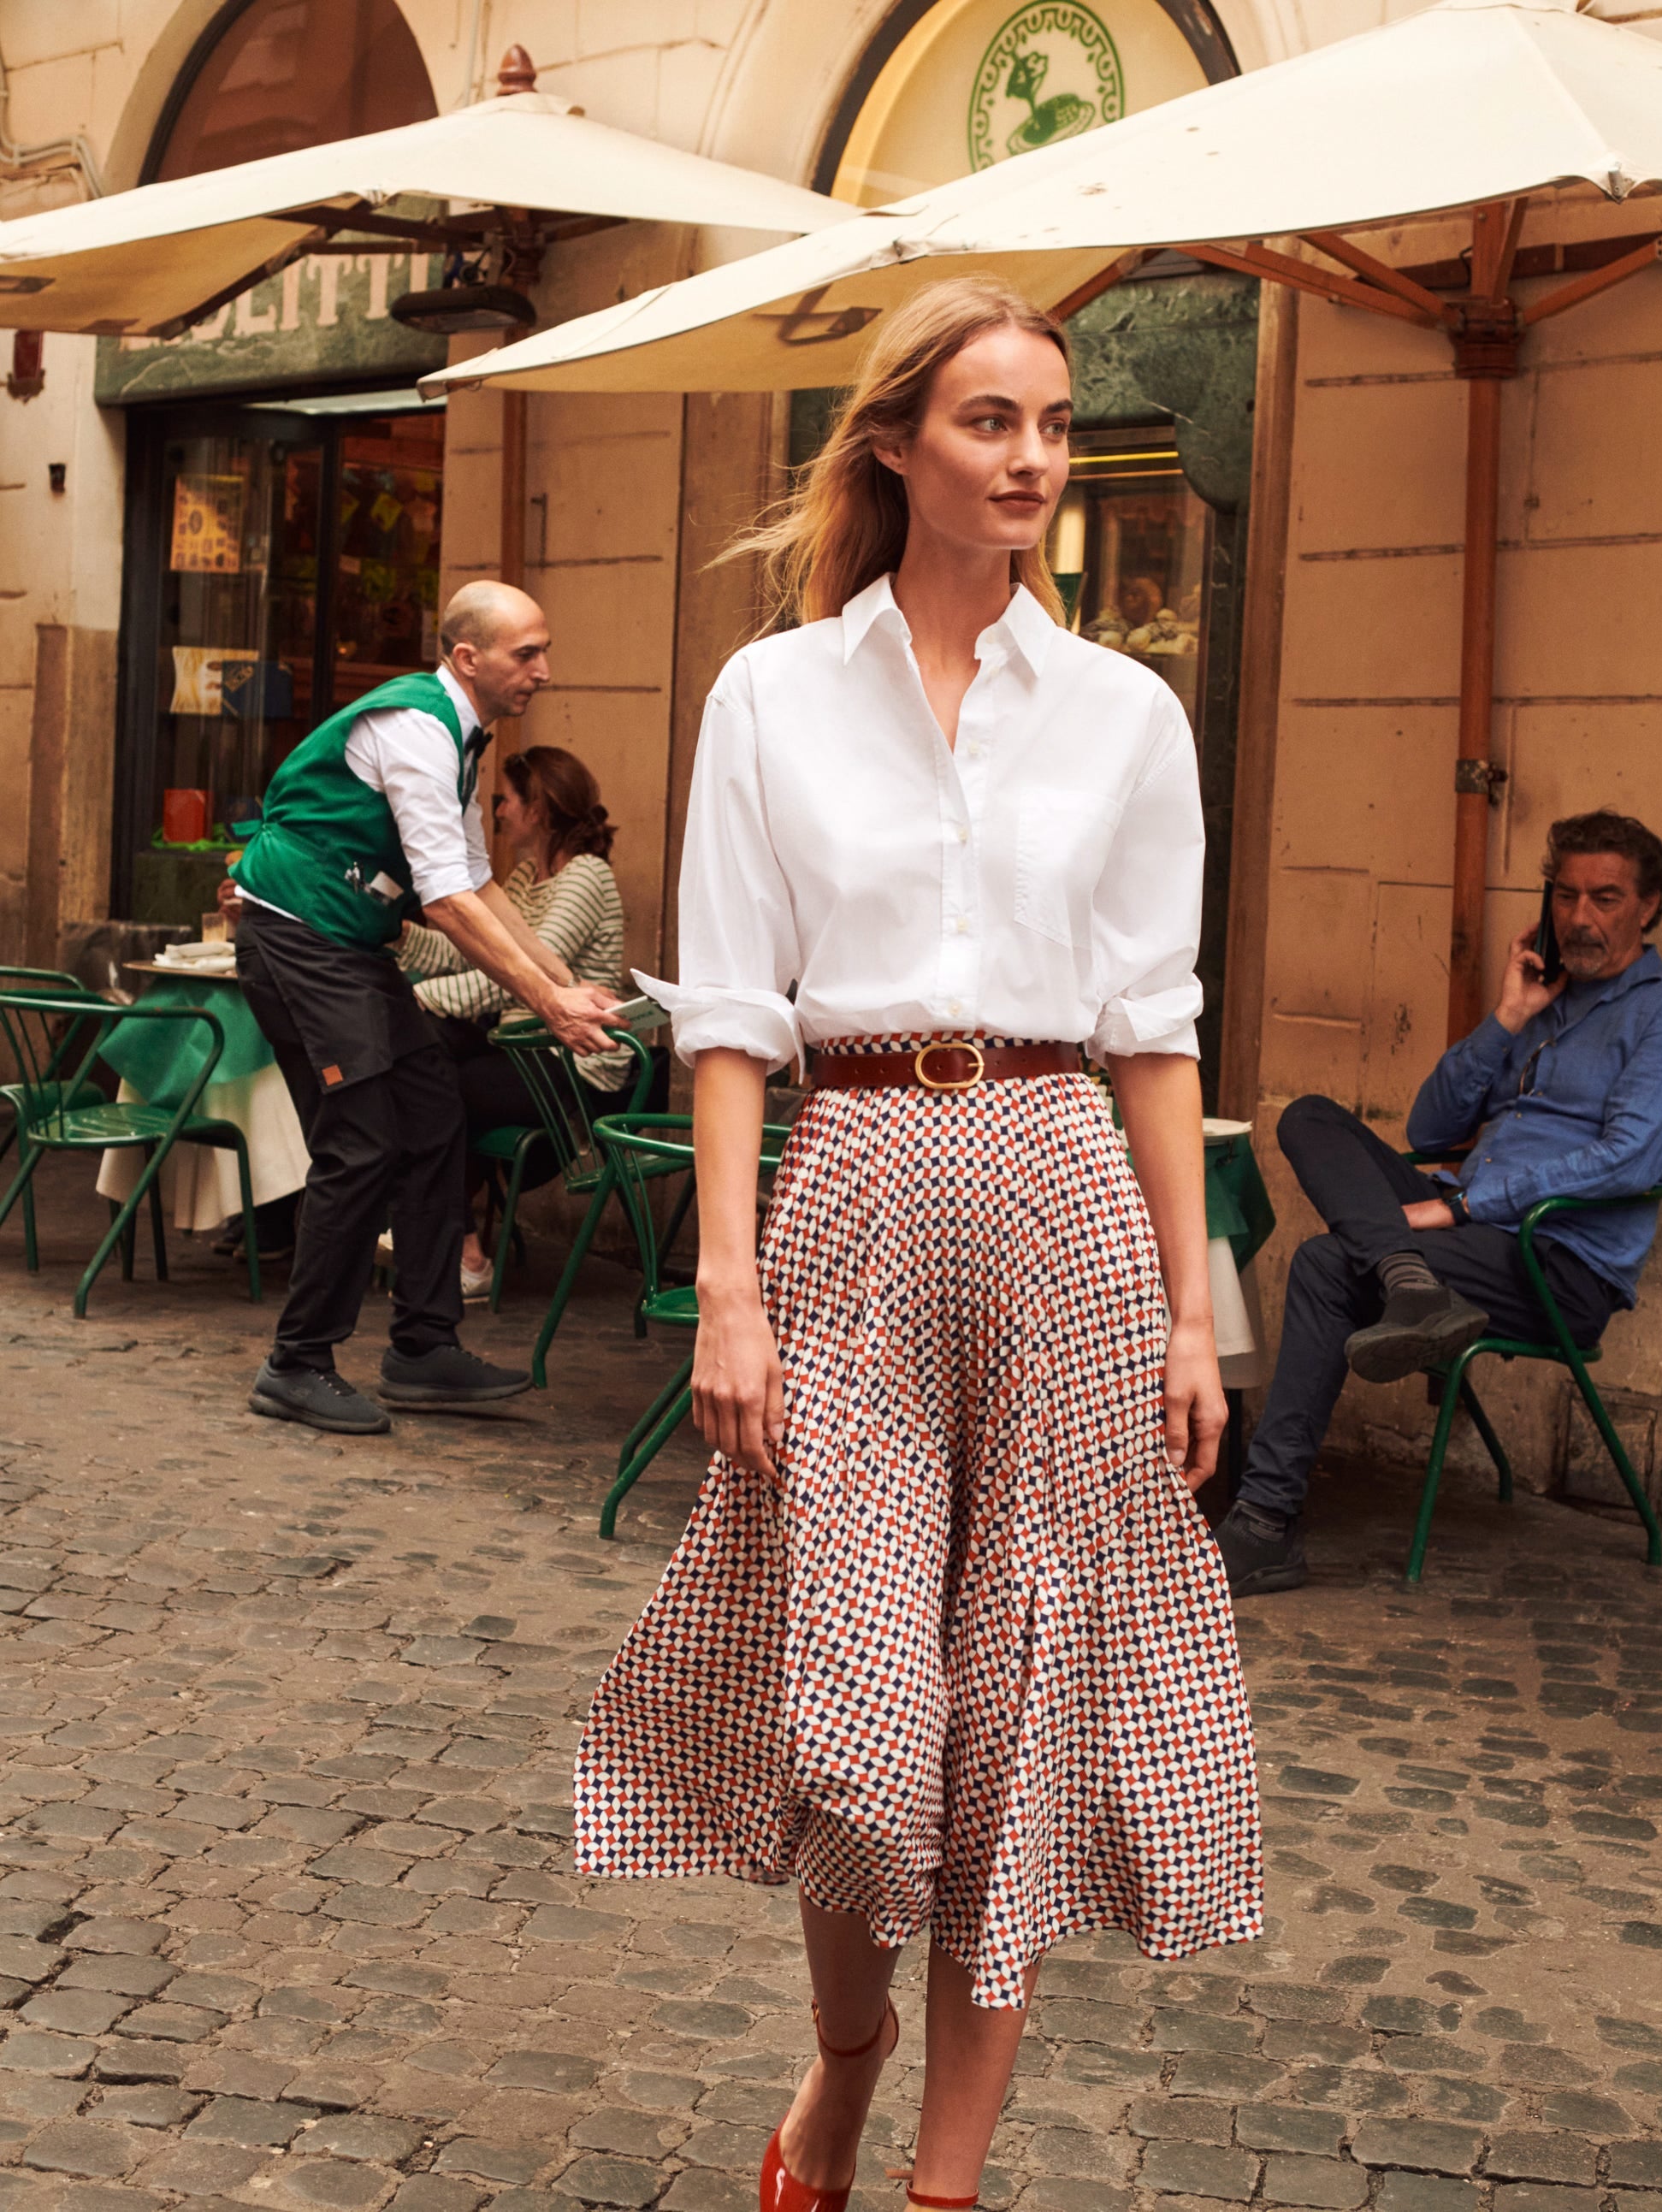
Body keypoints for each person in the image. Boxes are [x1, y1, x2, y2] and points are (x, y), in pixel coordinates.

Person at [573, 278, 1262, 2212]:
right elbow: (727, 1015)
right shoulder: (769, 692)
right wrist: (728, 1291)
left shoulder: (1127, 712)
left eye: (1050, 422)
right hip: (853, 1191)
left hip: (1059, 1198)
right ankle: (846, 2062)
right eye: (986, 420)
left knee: (1020, 1721)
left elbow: (1152, 1026)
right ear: (894, 441)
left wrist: (1191, 1314)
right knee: (865, 1710)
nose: (1031, 456)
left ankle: (941, 2189)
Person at [1216, 809, 1662, 1598]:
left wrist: (1467, 1208)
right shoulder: (1542, 1002)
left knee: (1324, 1263)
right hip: (1463, 1229)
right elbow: (1430, 1126)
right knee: (1310, 1116)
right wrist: (1508, 1014)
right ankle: (1409, 1279)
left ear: (1650, 907)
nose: (1580, 917)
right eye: (1567, 895)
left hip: (1557, 1260)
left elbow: (1632, 1158)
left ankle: (1264, 1525)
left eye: (1606, 899)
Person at [230, 582, 620, 1437]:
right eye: (527, 654)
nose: (543, 670)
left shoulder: (461, 735)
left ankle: (423, 1345)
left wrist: (563, 982)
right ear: (467, 657)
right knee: (361, 1139)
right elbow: (444, 902)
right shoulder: (413, 726)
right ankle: (297, 1362)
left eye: (543, 650)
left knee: (434, 1112)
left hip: (346, 944)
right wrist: (547, 1006)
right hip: (299, 935)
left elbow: (478, 883)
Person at [399, 744, 632, 1298]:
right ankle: (452, 1241)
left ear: (540, 808)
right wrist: (401, 938)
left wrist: (421, 1000)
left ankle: (461, 1249)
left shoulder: (586, 878)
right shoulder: (528, 877)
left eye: (506, 800)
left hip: (579, 1064)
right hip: (526, 1050)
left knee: (436, 1081)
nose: (497, 811)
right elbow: (476, 955)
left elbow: (523, 976)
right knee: (425, 1068)